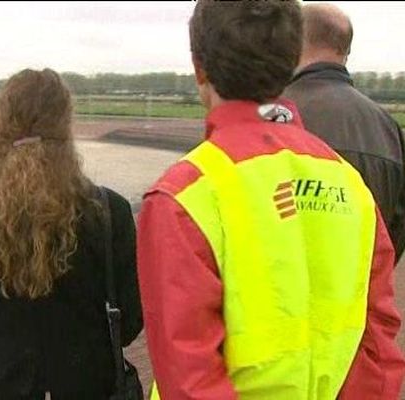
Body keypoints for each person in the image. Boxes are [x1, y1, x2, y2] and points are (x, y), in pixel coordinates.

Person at [137, 1, 405, 399]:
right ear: (290, 61)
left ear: (199, 68)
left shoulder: (184, 195)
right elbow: (377, 348)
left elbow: (189, 380)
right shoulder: (350, 184)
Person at [0, 68, 143, 400]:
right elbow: (129, 323)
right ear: (65, 126)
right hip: (91, 381)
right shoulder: (109, 211)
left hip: (8, 382)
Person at [284, 3, 405, 260]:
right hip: (359, 293)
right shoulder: (388, 128)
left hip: (276, 293)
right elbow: (395, 232)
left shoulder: (268, 115)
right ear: (346, 51)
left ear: (291, 41)